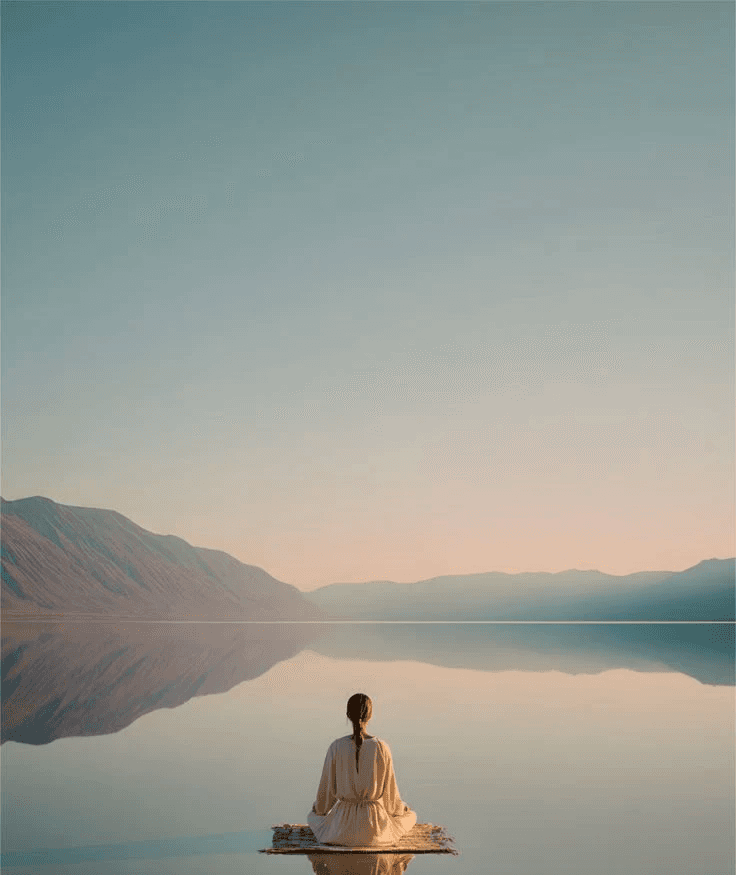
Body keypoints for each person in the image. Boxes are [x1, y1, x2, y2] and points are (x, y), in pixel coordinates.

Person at [308, 693, 417, 847]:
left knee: (312, 817)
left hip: (341, 830)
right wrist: (402, 809)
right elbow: (390, 799)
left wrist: (318, 809)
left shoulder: (336, 747)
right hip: (374, 830)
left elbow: (326, 795)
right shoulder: (382, 747)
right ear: (370, 716)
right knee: (411, 816)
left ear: (348, 715)